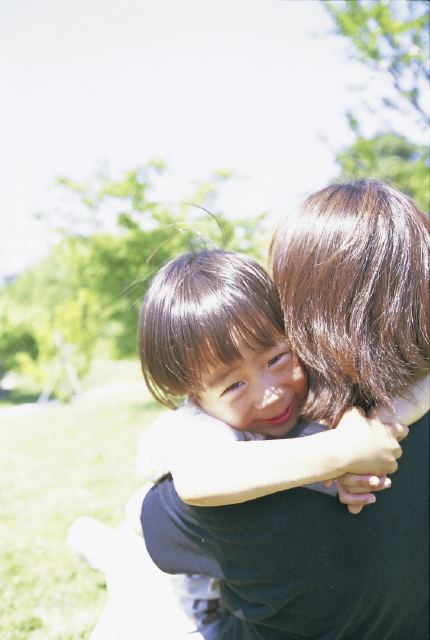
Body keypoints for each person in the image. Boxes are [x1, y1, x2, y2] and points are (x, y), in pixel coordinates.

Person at [141, 179, 429, 639]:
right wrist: (344, 450)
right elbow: (197, 480)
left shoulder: (321, 399)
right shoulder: (203, 431)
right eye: (233, 385)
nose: (270, 393)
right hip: (205, 600)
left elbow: (153, 520)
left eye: (277, 358)